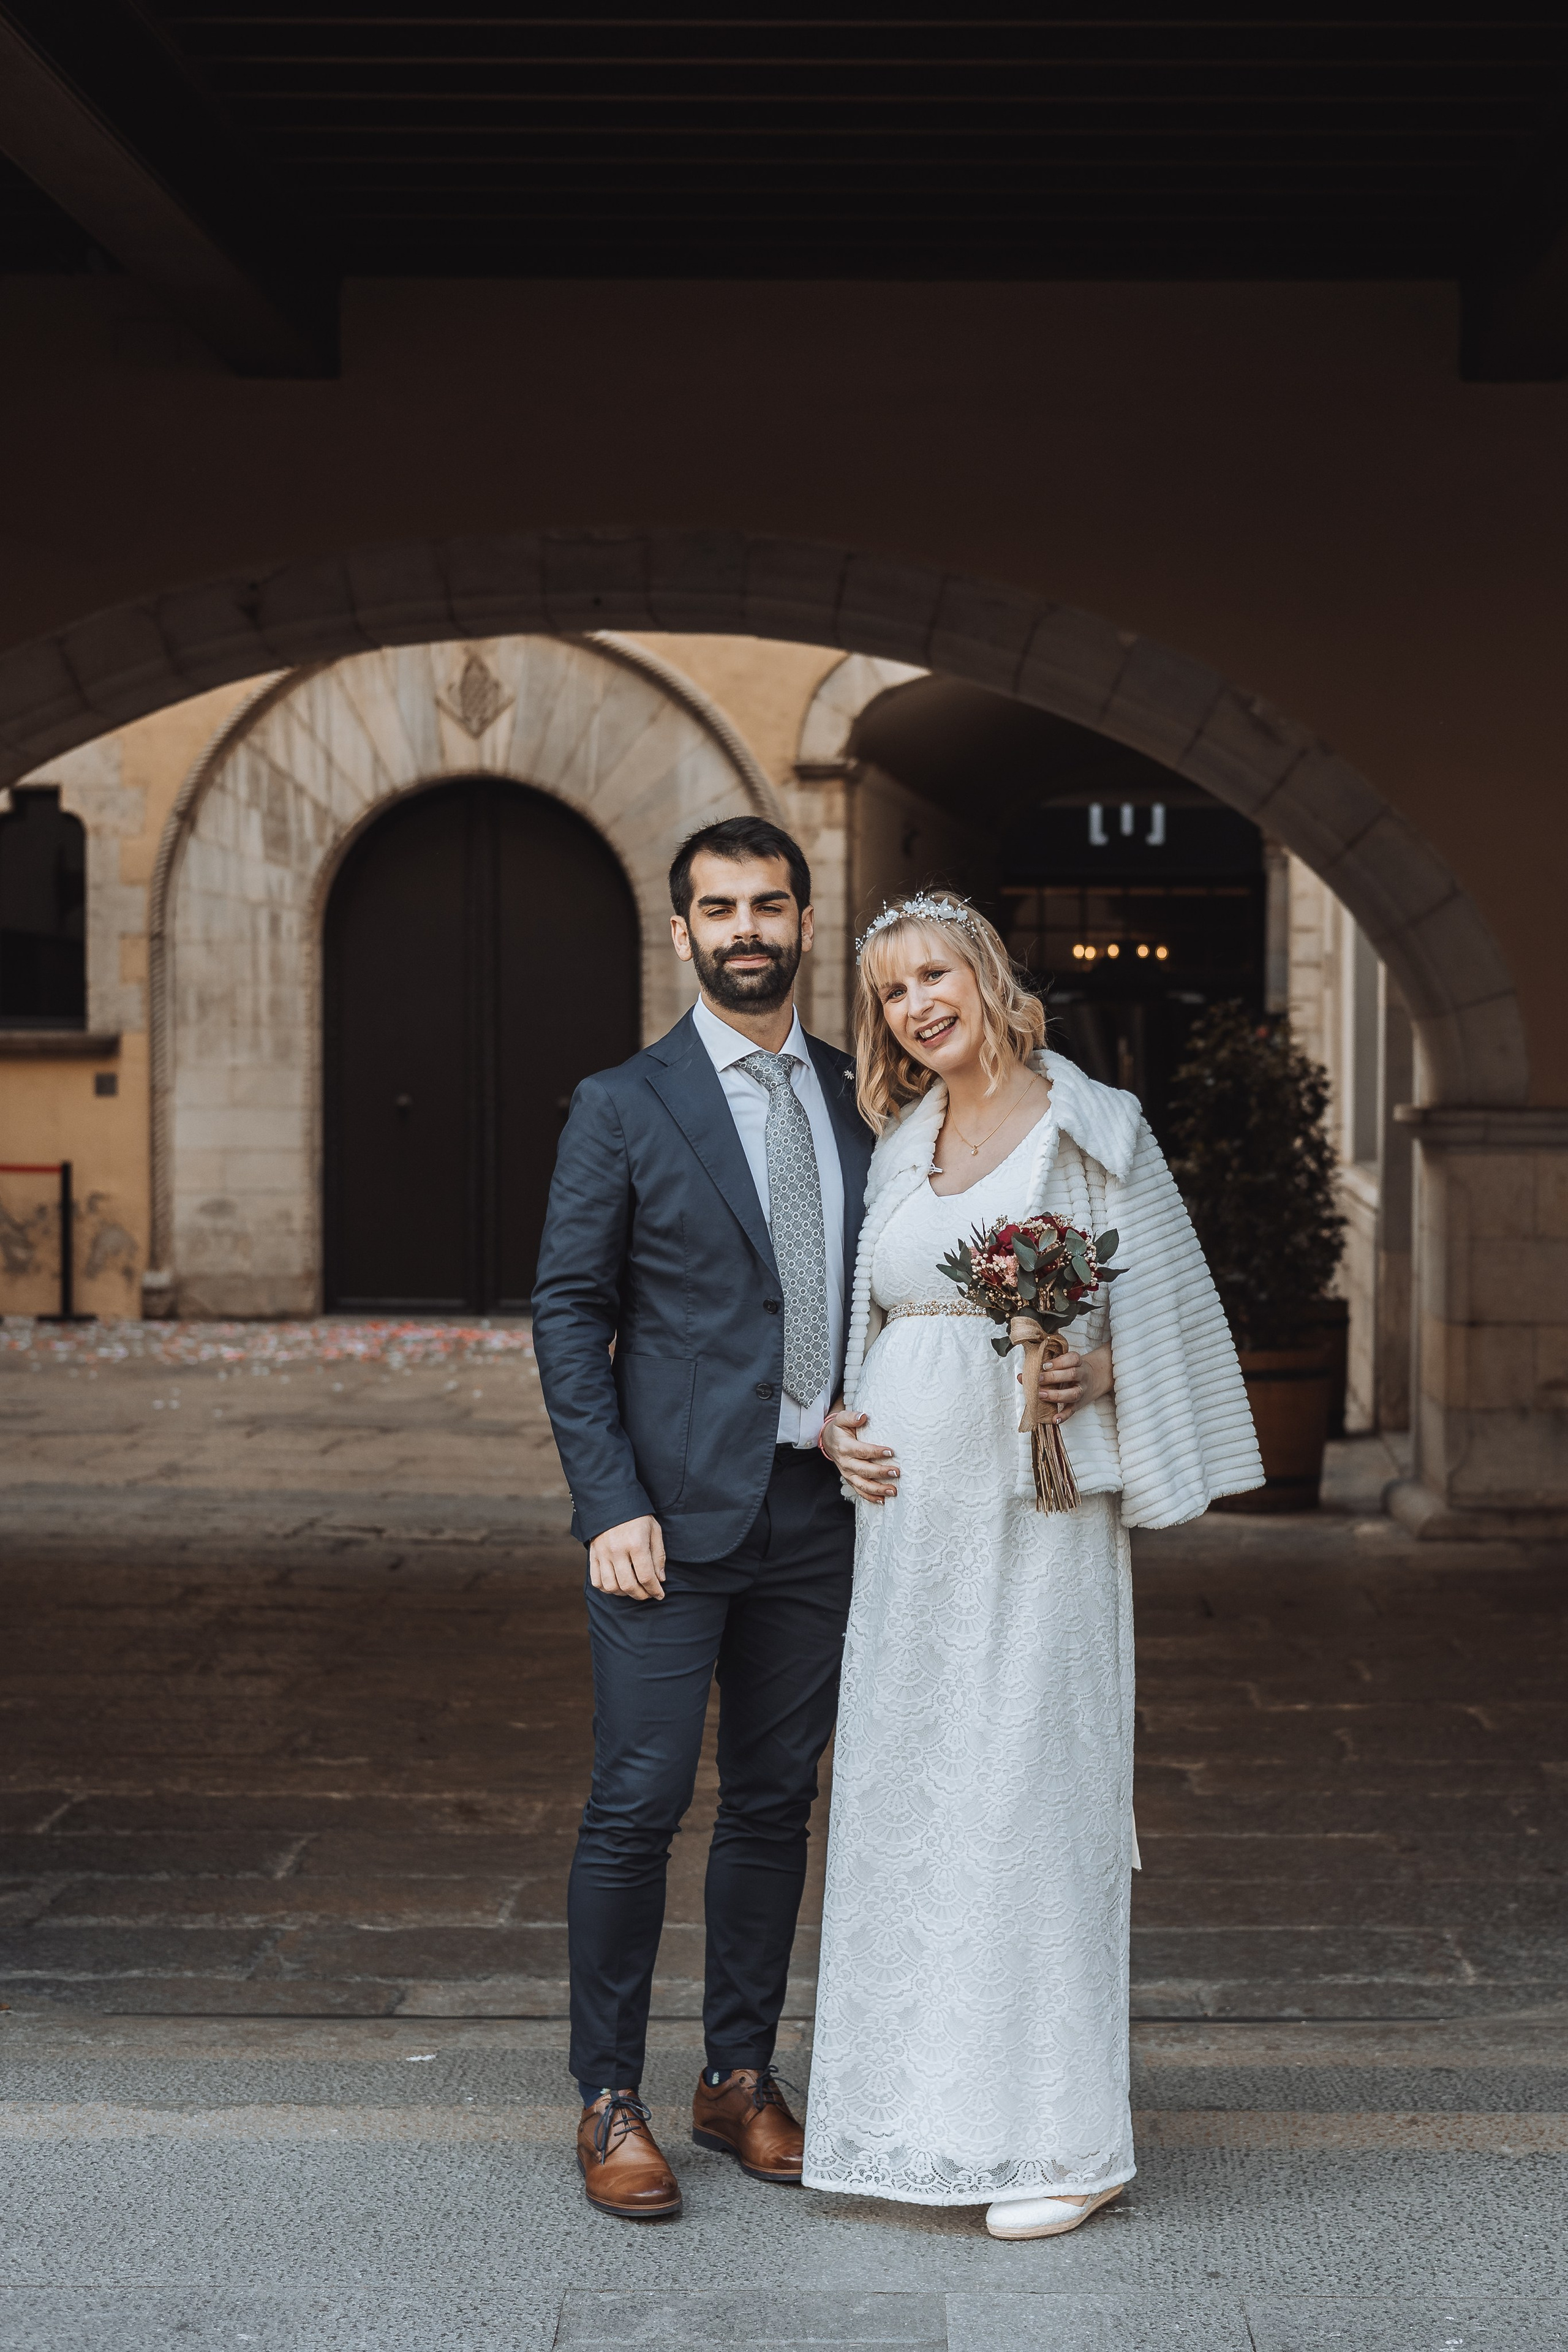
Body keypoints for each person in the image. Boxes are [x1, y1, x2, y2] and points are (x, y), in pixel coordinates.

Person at [805, 890, 1262, 2239]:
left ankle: (1065, 2143)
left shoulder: (1091, 1130)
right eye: (890, 993)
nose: (913, 1007)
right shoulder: (898, 1145)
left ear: (987, 976)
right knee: (912, 1805)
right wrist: (839, 1425)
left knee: (1025, 1802)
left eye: (932, 974)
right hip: (906, 1539)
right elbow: (863, 1318)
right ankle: (907, 2118)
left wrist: (1092, 1366)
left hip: (1031, 1524)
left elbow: (1172, 1321)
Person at [531, 815, 872, 2223]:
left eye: (770, 904)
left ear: (805, 922)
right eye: (719, 908)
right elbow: (569, 1309)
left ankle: (737, 2077)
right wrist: (608, 1501)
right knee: (638, 1800)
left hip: (820, 1511)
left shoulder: (866, 1095)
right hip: (664, 1524)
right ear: (680, 932)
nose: (747, 928)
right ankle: (606, 2095)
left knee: (776, 1802)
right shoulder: (621, 1102)